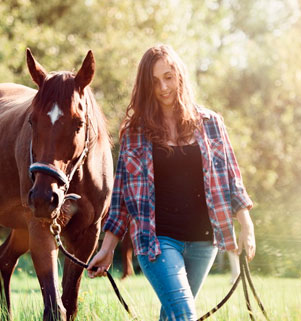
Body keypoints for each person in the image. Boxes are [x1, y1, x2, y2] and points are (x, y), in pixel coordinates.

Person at [88, 44, 255, 321]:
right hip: (157, 241)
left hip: (205, 241)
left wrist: (246, 225)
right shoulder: (135, 132)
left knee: (173, 316)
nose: (163, 87)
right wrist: (106, 249)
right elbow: (120, 199)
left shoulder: (211, 123)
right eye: (154, 82)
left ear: (179, 75)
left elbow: (232, 179)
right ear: (145, 86)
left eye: (168, 77)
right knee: (184, 316)